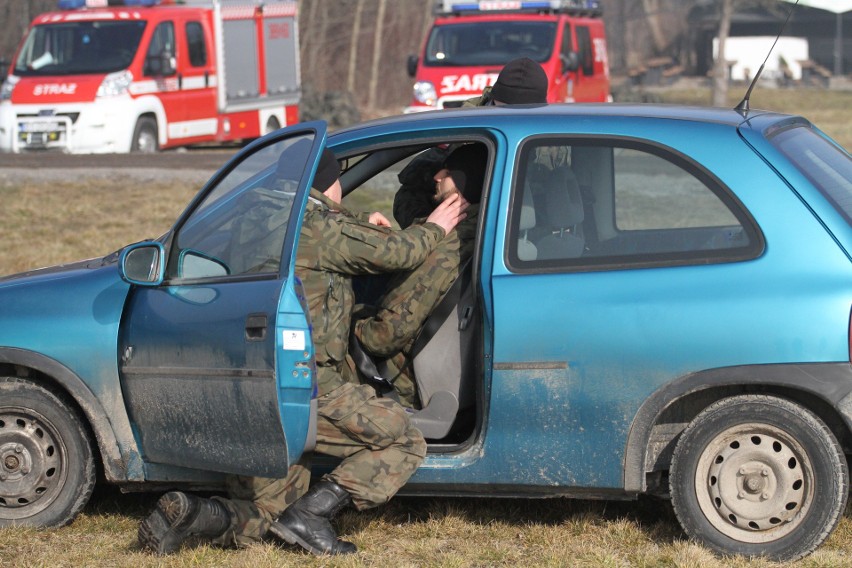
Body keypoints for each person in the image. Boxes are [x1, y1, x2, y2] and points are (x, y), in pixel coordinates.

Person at [138, 148, 467, 556]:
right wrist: (435, 226)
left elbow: (322, 241)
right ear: (327, 183)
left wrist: (358, 225)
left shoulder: (257, 218)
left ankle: (195, 514)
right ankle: (313, 515)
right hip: (310, 387)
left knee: (269, 513)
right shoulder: (319, 228)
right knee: (404, 441)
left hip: (254, 383)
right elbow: (401, 253)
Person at [353, 143, 488, 408]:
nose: (436, 177)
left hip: (397, 382)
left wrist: (350, 321)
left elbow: (383, 337)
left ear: (464, 181)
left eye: (447, 171)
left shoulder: (443, 251)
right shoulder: (471, 232)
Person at [393, 57, 547, 229]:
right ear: (493, 102)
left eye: (520, 117)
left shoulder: (550, 140)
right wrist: (434, 232)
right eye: (504, 111)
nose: (511, 122)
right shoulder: (464, 128)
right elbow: (407, 197)